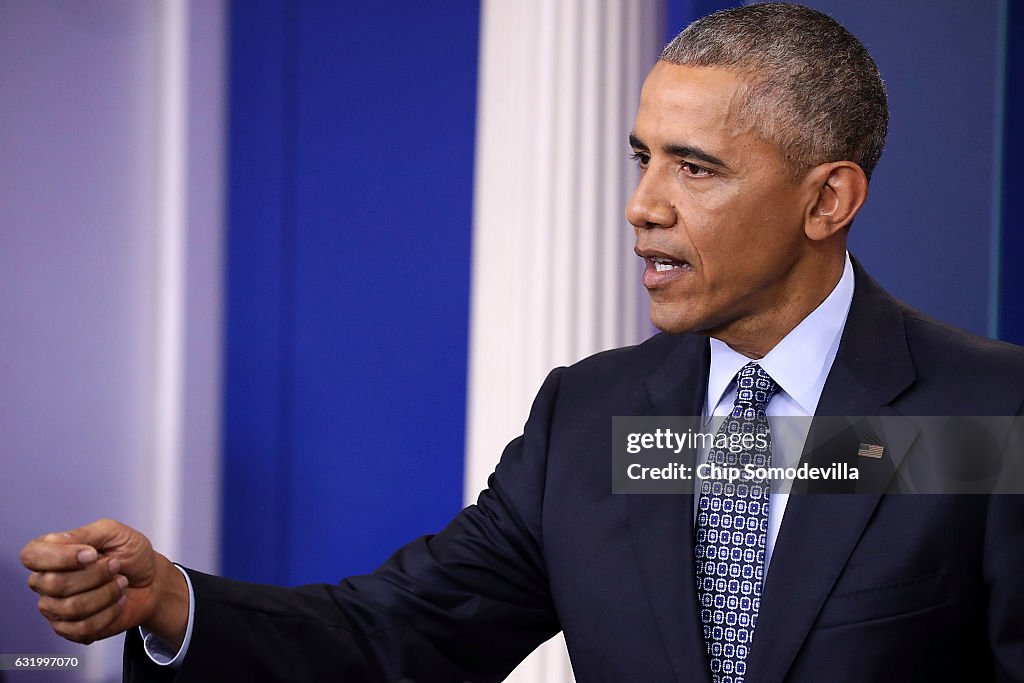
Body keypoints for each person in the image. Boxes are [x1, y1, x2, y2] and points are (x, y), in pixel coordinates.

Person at [20, 4, 1024, 681]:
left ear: (827, 199)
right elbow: (395, 636)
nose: (641, 206)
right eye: (641, 158)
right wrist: (171, 600)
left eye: (696, 167)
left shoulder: (985, 416)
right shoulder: (591, 420)